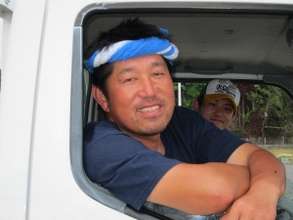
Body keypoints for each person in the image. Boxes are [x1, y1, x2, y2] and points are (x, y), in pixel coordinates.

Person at [83, 18, 285, 219]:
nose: (149, 91)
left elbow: (260, 157)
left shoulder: (183, 121)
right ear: (102, 97)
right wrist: (259, 176)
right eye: (129, 79)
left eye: (157, 74)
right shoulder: (99, 144)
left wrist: (264, 191)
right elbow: (215, 191)